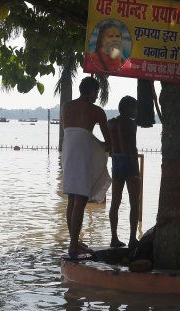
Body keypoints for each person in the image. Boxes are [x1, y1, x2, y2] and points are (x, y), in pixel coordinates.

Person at [62, 77, 112, 258]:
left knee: (72, 198)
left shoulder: (67, 108)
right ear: (91, 91)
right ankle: (74, 245)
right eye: (96, 93)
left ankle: (74, 241)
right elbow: (109, 139)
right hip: (82, 154)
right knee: (80, 199)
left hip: (68, 152)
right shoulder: (96, 111)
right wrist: (107, 147)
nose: (97, 96)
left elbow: (73, 132)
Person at [107, 96, 141, 249]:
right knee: (134, 202)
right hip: (129, 161)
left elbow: (109, 146)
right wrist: (135, 170)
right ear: (127, 108)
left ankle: (114, 238)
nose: (136, 111)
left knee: (115, 201)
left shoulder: (111, 122)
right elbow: (131, 147)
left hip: (116, 161)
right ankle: (133, 238)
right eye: (134, 107)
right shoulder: (131, 124)